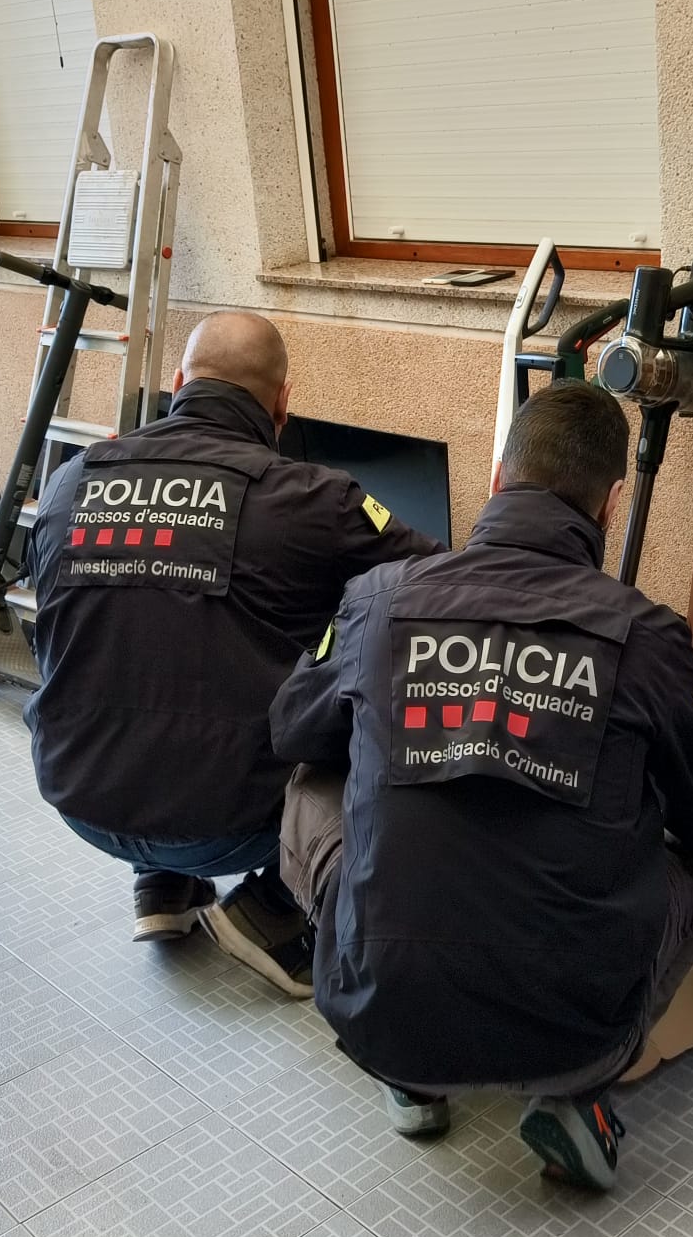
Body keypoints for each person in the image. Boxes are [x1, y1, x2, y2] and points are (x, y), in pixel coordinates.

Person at [269, 380, 693, 1190]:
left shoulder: (376, 600)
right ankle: (573, 1097)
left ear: (498, 477)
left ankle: (413, 1076)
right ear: (611, 504)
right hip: (577, 1039)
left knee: (313, 780)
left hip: (378, 1022)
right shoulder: (648, 637)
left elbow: (292, 729)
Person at [25, 309, 441, 994]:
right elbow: (443, 588)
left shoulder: (72, 481)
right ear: (282, 404)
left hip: (82, 799)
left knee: (148, 636)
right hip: (235, 826)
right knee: (380, 690)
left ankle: (162, 886)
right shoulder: (315, 498)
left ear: (179, 382)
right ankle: (271, 909)